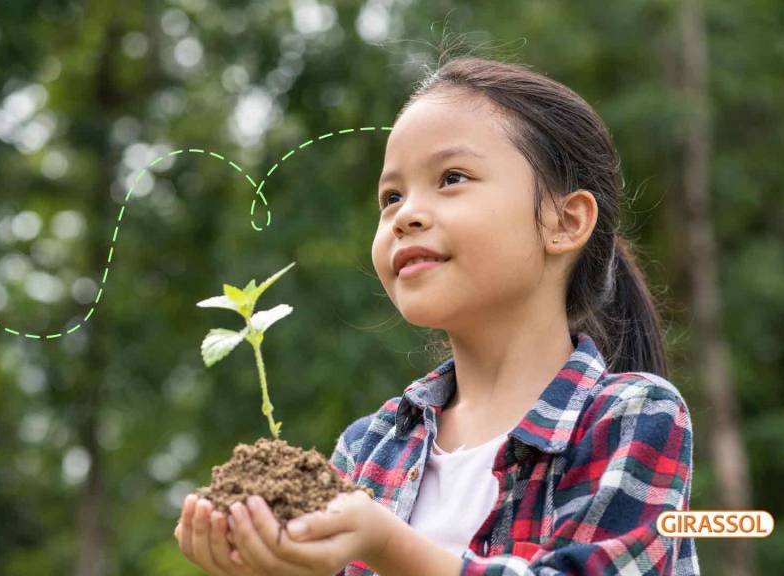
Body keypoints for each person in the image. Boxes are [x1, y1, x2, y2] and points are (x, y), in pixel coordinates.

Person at [175, 55, 700, 575]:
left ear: (564, 221)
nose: (406, 215)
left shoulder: (633, 415)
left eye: (451, 178)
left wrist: (386, 545)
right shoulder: (369, 447)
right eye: (391, 196)